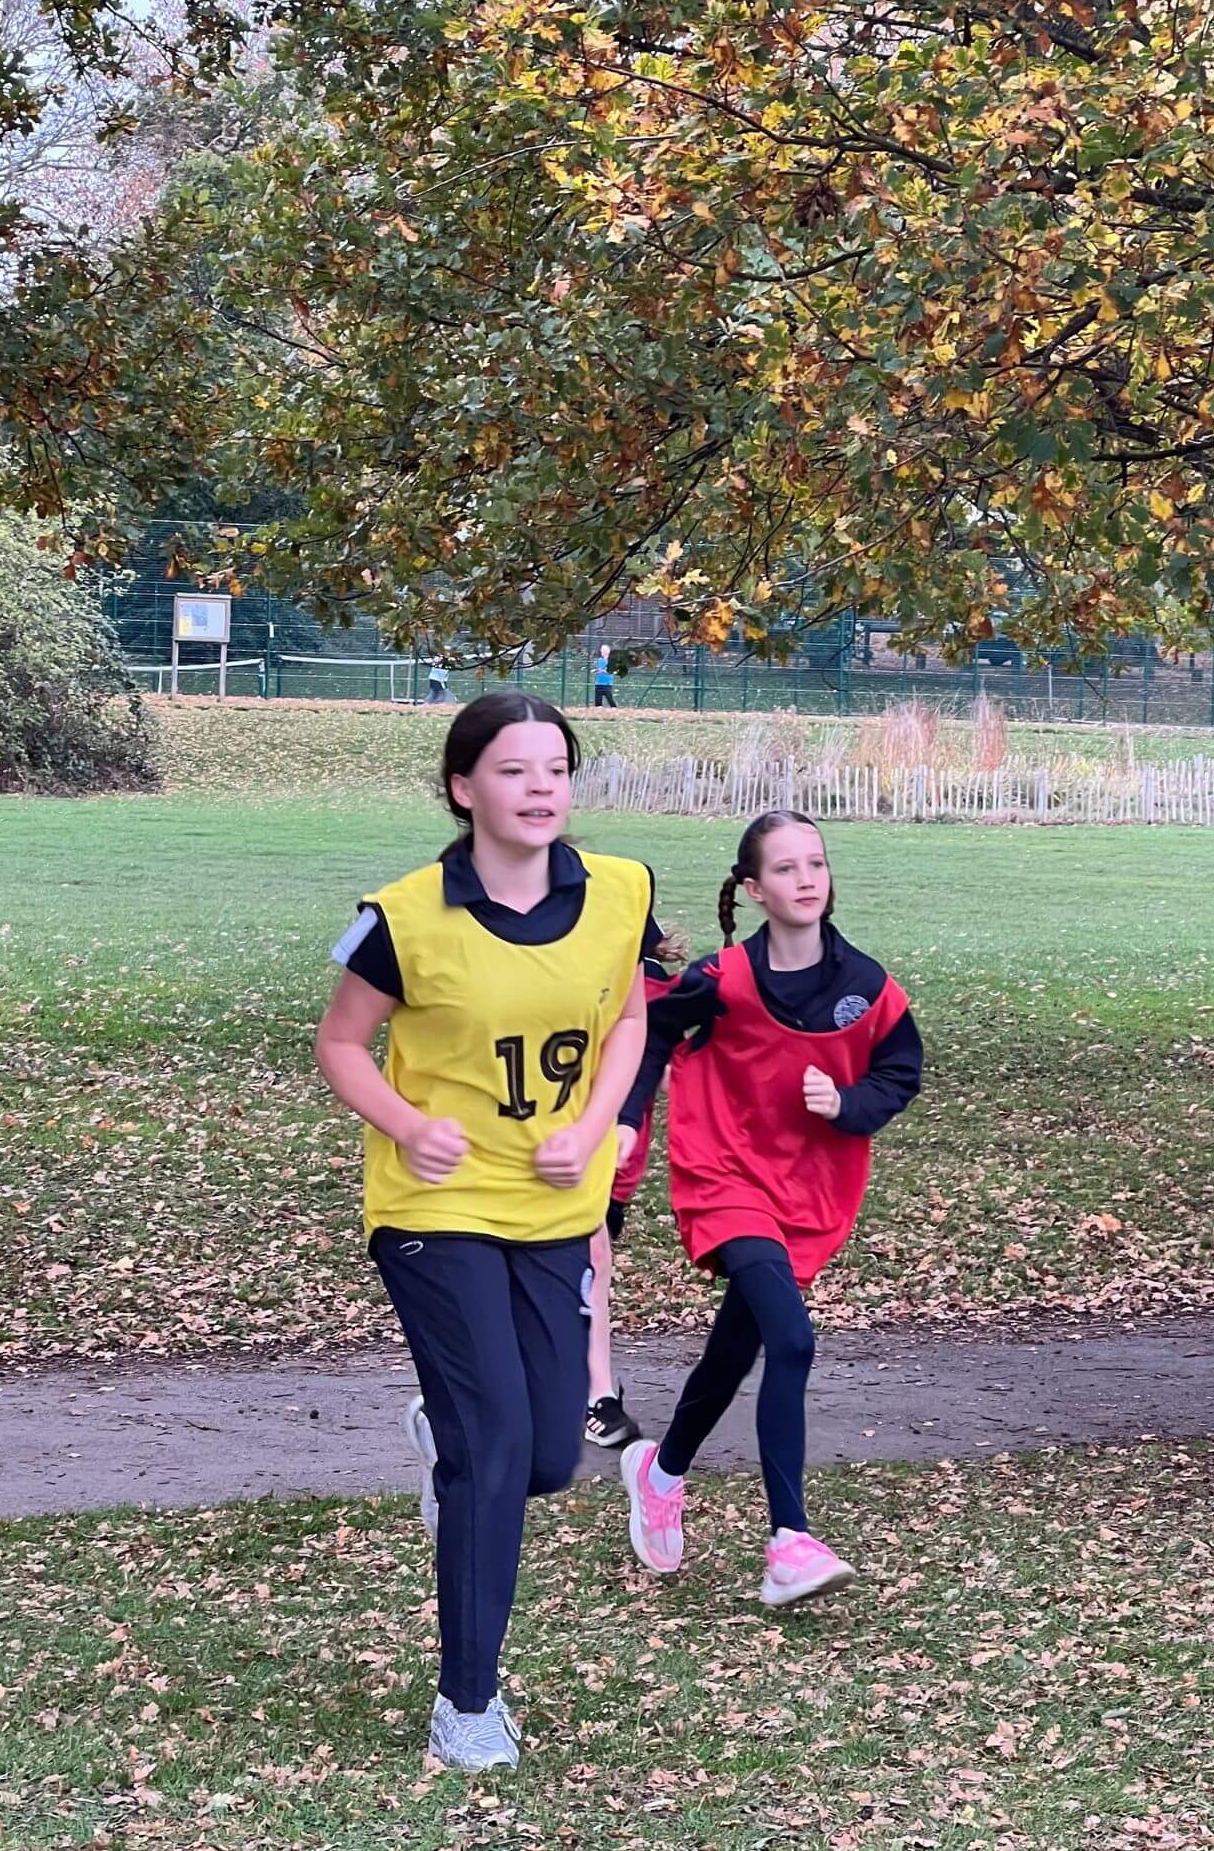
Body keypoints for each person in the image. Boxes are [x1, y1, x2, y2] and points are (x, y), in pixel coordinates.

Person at [315, 691, 651, 1773]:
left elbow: (630, 1016)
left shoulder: (621, 892)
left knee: (549, 1453)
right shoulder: (405, 916)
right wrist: (411, 1125)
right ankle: (467, 1702)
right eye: (514, 769)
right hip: (434, 1209)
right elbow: (342, 1045)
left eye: (556, 765)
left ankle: (448, 1437)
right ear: (465, 787)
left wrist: (596, 1123)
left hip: (556, 1204)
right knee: (500, 1444)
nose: (541, 785)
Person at [613, 810, 922, 1607]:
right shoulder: (722, 981)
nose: (806, 878)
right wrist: (624, 1119)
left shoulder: (866, 985)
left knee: (735, 1347)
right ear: (752, 890)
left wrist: (847, 1103)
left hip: (809, 1193)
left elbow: (900, 1073)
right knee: (791, 1339)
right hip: (725, 1177)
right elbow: (647, 1036)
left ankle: (662, 1468)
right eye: (785, 869)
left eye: (815, 863)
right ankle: (790, 1541)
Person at [584, 923, 687, 1450]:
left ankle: (584, 1390)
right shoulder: (571, 973)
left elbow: (672, 1070)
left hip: (616, 1171)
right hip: (563, 1156)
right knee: (590, 1261)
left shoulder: (655, 987)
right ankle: (596, 1395)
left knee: (584, 1274)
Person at [594, 643, 617, 709]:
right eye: (601, 649)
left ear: (608, 651)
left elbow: (612, 671)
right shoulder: (599, 660)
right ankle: (599, 711)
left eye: (603, 650)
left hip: (607, 684)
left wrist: (603, 671)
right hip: (598, 683)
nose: (601, 651)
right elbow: (599, 670)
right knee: (598, 701)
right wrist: (596, 671)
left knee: (610, 699)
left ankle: (614, 709)